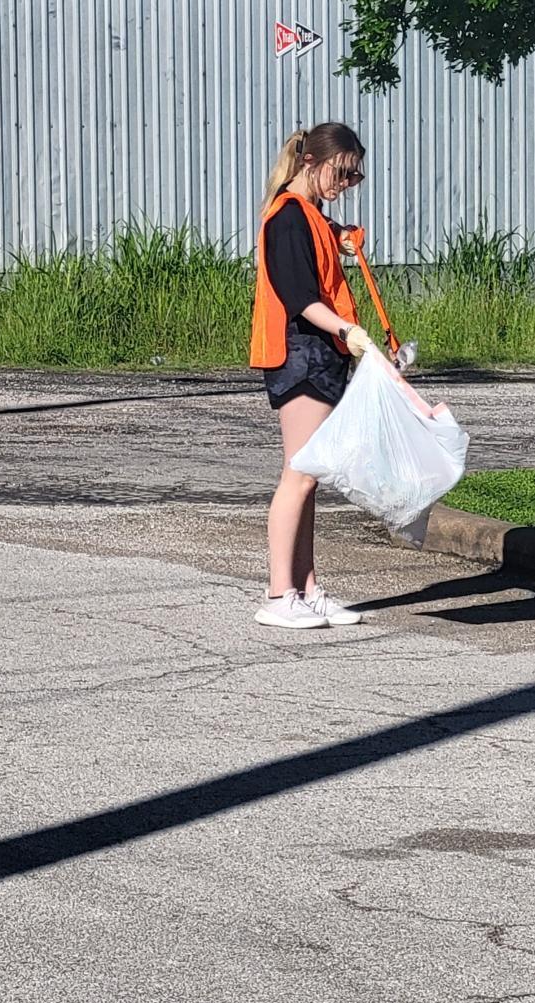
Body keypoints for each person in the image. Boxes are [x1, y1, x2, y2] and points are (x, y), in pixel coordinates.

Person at [250, 122, 372, 629]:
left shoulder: (311, 216)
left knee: (310, 478)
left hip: (318, 355)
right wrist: (348, 330)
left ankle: (306, 588)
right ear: (310, 162)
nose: (345, 184)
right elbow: (300, 298)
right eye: (340, 173)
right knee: (298, 476)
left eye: (353, 176)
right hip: (298, 355)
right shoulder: (288, 218)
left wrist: (337, 235)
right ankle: (280, 595)